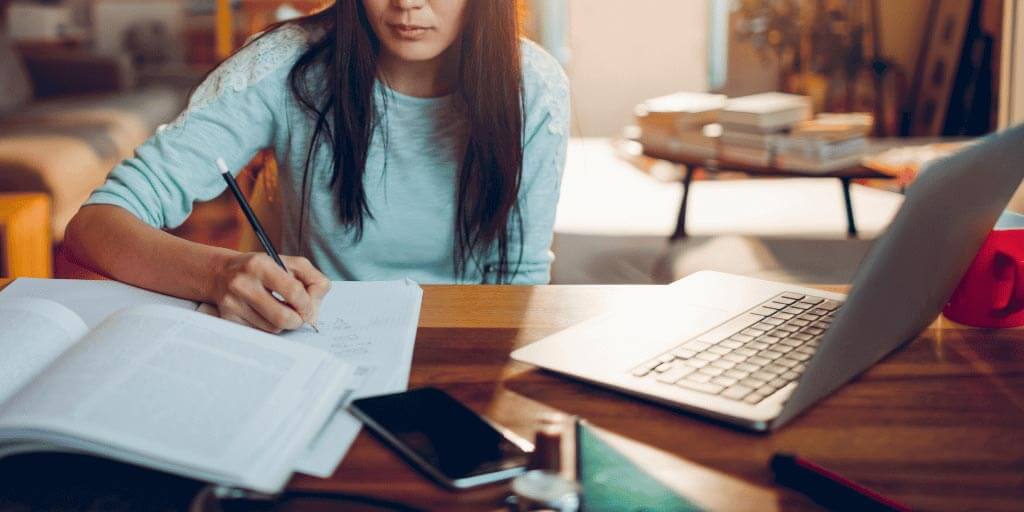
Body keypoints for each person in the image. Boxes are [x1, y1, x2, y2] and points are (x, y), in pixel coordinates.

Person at [65, 0, 570, 333]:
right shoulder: (284, 64)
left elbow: (521, 281)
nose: (408, 3)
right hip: (316, 339)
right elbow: (95, 225)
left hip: (465, 346)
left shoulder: (535, 86)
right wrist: (217, 273)